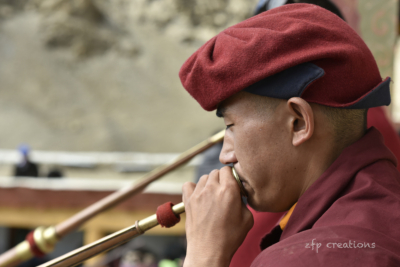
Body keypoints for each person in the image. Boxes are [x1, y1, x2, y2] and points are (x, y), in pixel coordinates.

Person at [179, 4, 400, 266]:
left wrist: (204, 254)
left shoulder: (311, 257)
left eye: (231, 126)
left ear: (298, 123)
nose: (226, 155)